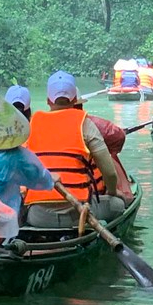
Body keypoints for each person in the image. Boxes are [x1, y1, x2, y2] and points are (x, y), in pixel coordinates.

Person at [22, 70, 133, 229]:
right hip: (79, 213)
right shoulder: (85, 124)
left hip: (38, 216)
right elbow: (109, 173)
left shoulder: (32, 124)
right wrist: (113, 192)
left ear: (48, 100)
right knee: (117, 204)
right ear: (75, 99)